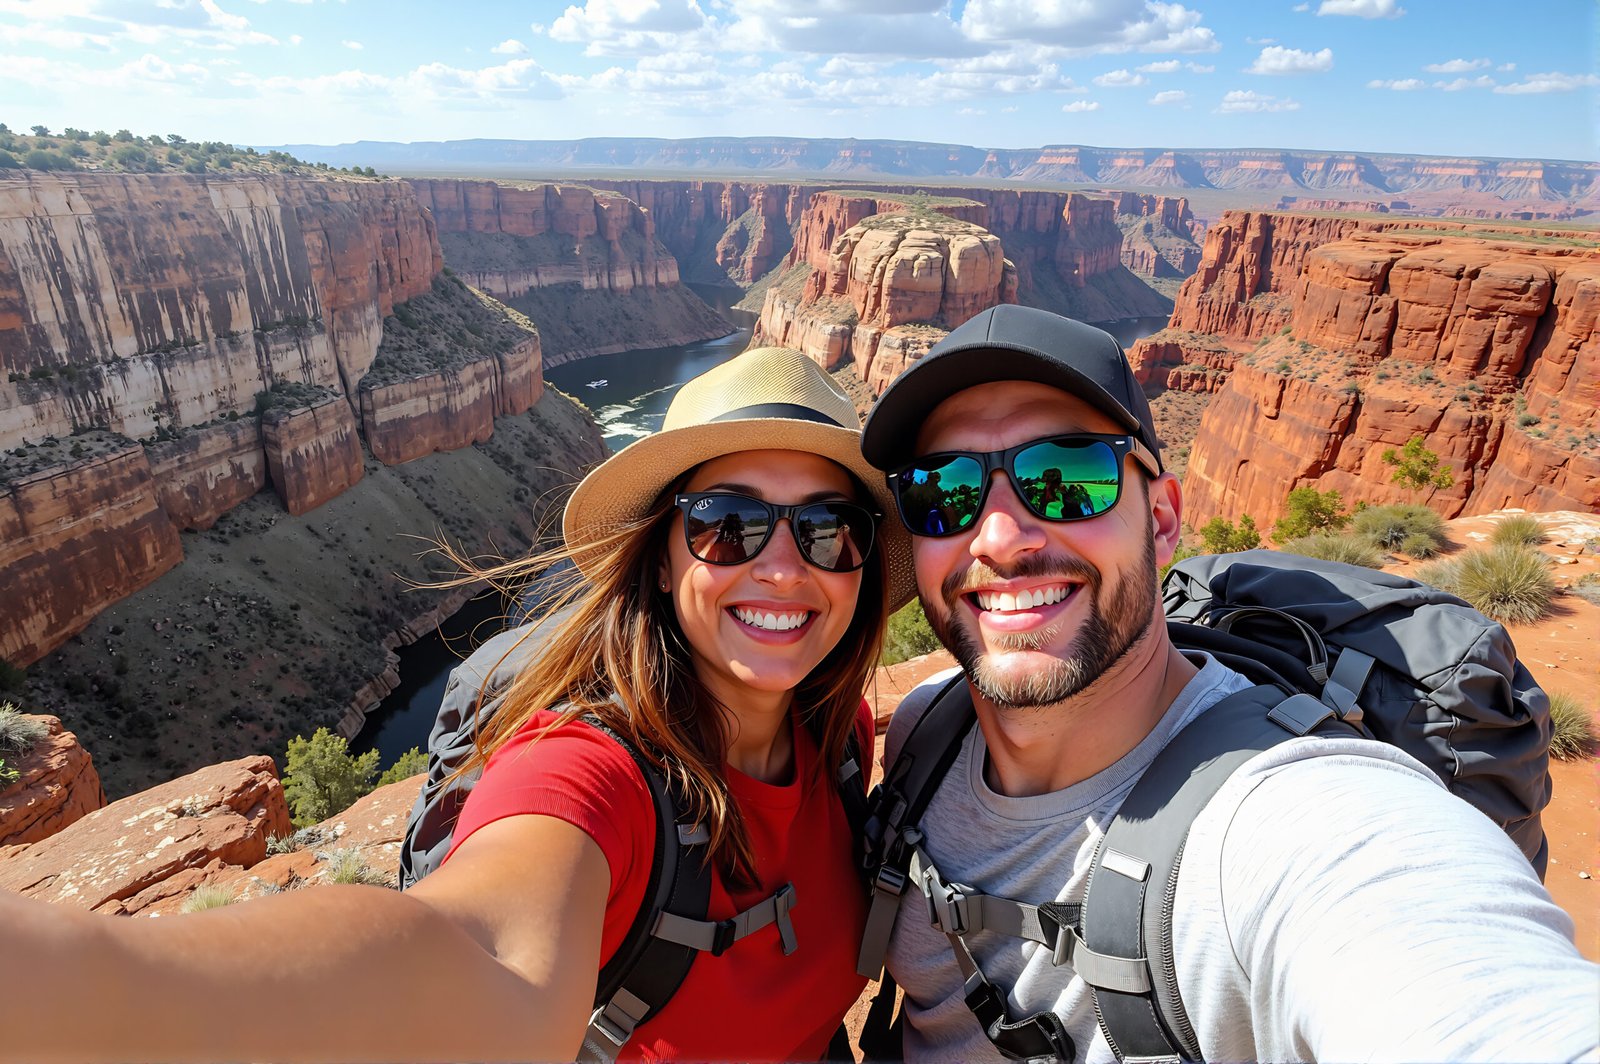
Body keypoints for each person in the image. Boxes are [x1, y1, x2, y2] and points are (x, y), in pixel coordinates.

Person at [0, 345, 915, 1063]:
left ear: (867, 563)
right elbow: (466, 949)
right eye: (728, 523)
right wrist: (102, 995)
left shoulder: (838, 735)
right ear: (663, 551)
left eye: (831, 528)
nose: (785, 566)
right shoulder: (590, 773)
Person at [856, 304, 1599, 1063]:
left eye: (1069, 476)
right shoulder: (928, 732)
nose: (1002, 538)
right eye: (940, 491)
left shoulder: (1288, 820)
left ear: (1165, 517)